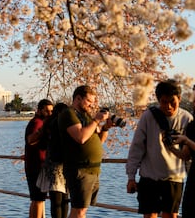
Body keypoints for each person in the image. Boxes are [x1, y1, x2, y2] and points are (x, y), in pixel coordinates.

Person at [126, 79, 193, 218]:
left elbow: (188, 154)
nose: (168, 106)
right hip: (150, 177)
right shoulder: (148, 116)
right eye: (163, 102)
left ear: (179, 99)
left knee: (171, 215)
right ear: (158, 100)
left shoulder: (187, 118)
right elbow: (136, 147)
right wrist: (131, 177)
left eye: (172, 102)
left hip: (174, 178)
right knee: (149, 215)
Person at [58, 85, 110, 218]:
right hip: (79, 169)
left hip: (93, 169)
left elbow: (99, 140)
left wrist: (106, 128)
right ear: (78, 98)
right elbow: (80, 137)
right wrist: (96, 120)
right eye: (89, 101)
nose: (91, 105)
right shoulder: (69, 114)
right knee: (78, 209)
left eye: (93, 102)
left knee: (82, 210)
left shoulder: (86, 117)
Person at [25, 99, 53, 218]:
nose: (50, 114)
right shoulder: (37, 123)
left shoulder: (36, 122)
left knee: (37, 199)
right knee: (38, 199)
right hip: (37, 167)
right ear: (39, 110)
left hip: (35, 165)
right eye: (47, 111)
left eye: (51, 111)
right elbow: (30, 140)